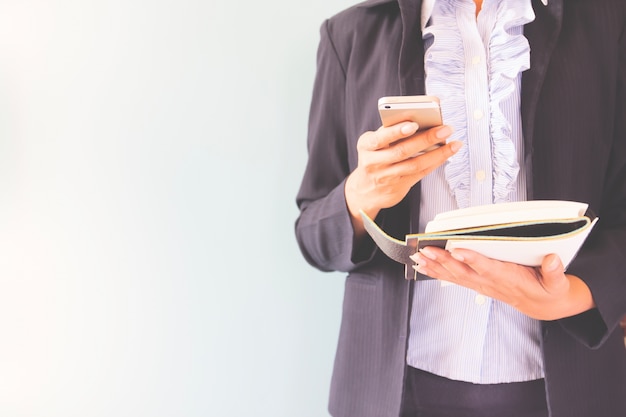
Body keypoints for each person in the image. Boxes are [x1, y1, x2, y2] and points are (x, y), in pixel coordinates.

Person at [295, 0, 626, 416]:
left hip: (573, 387)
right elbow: (312, 235)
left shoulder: (611, 23)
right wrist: (359, 197)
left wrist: (573, 296)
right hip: (391, 396)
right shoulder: (350, 35)